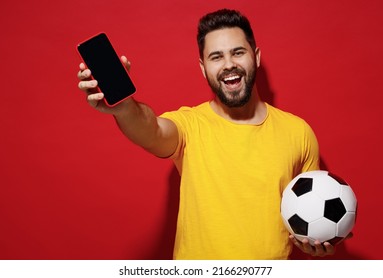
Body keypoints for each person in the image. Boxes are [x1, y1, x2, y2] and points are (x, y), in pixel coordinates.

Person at [77, 9, 338, 259]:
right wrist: (124, 108)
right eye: (216, 57)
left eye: (238, 52)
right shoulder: (190, 125)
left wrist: (317, 239)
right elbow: (152, 130)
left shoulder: (298, 132)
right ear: (203, 68)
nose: (229, 65)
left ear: (256, 56)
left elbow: (309, 213)